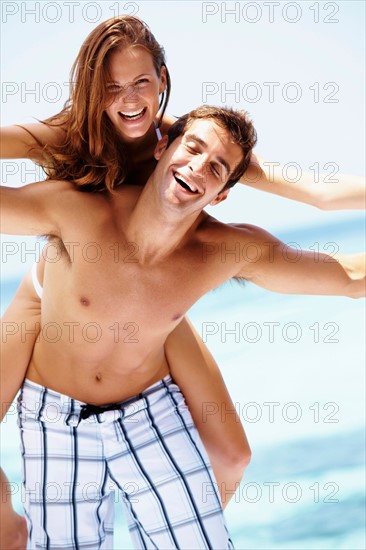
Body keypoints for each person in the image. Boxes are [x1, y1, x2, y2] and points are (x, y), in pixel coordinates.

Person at [1, 105, 365, 549]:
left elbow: (350, 278)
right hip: (54, 422)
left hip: (149, 414)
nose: (197, 168)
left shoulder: (224, 250)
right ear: (162, 147)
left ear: (222, 194)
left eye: (216, 168)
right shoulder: (78, 211)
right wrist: (57, 132)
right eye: (191, 148)